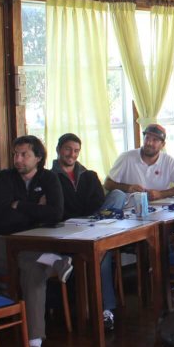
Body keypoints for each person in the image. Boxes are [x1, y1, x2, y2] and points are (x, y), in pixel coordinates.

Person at [0, 135, 67, 347]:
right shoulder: (5, 178)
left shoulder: (50, 178)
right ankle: (52, 262)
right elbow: (3, 219)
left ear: (38, 157)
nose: (18, 159)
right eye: (15, 154)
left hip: (41, 240)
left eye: (24, 154)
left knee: (29, 266)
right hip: (11, 241)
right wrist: (38, 209)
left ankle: (33, 344)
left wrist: (20, 205)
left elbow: (56, 214)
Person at [51, 133, 120, 331]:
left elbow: (98, 201)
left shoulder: (89, 175)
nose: (72, 154)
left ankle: (106, 310)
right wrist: (80, 215)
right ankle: (105, 309)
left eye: (76, 151)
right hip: (66, 230)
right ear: (59, 150)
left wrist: (89, 215)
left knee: (118, 195)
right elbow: (58, 209)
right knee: (102, 254)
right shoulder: (50, 177)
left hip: (93, 224)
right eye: (68, 149)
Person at [104, 123, 174, 200]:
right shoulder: (126, 158)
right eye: (147, 138)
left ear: (163, 145)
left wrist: (161, 194)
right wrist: (128, 188)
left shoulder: (168, 161)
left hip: (161, 211)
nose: (149, 143)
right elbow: (108, 183)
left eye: (155, 140)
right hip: (129, 211)